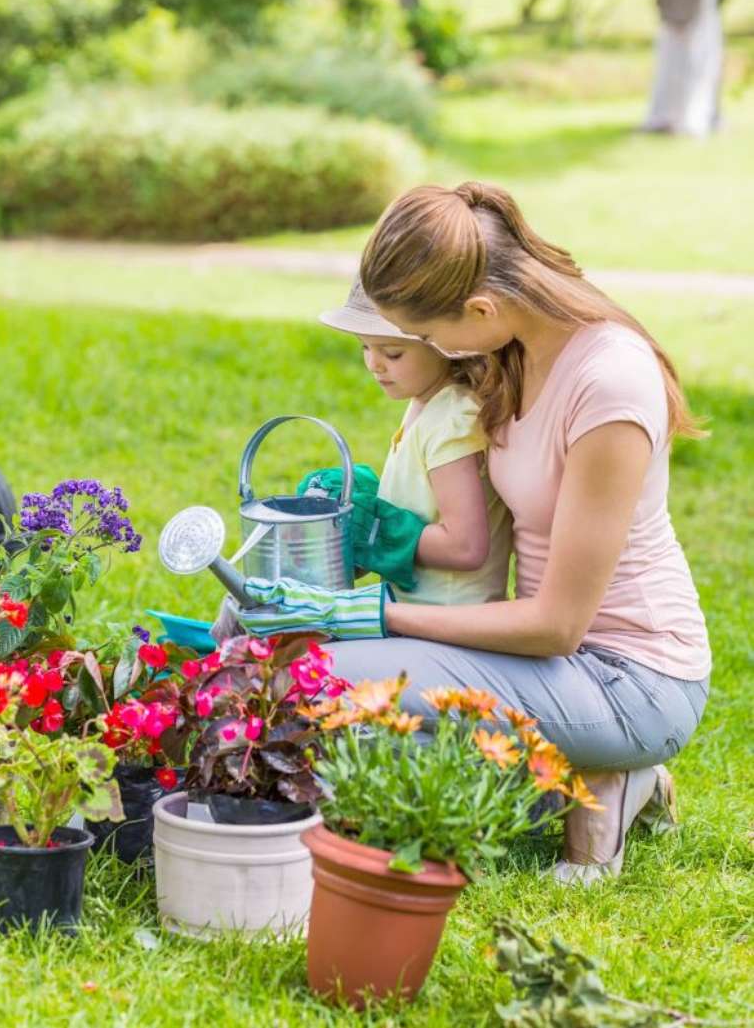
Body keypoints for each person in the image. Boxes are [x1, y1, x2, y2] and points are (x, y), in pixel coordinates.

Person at [234, 181, 711, 884]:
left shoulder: (609, 385)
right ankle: (586, 776)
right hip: (548, 665)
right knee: (304, 676)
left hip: (629, 676)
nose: (427, 351)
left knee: (314, 683)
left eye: (427, 336)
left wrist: (372, 617)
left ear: (480, 308)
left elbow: (557, 625)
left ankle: (609, 769)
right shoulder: (513, 349)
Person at [303, 276, 512, 606]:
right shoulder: (425, 402)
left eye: (393, 353)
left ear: (441, 343)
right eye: (365, 347)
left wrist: (373, 530)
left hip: (453, 625)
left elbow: (466, 546)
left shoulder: (453, 418)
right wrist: (362, 500)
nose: (374, 364)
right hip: (416, 613)